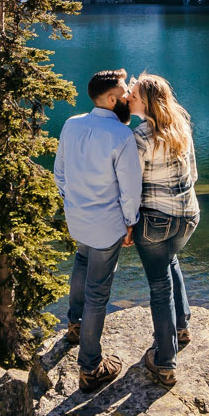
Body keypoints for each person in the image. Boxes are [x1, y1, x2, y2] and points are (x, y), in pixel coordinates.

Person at [52, 68, 142, 389]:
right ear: (111, 99)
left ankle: (75, 327)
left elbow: (59, 173)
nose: (129, 98)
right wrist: (131, 222)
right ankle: (90, 367)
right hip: (107, 225)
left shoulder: (71, 124)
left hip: (78, 218)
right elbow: (130, 189)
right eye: (124, 92)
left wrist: (72, 201)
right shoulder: (121, 136)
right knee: (98, 291)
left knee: (81, 262)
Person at [128, 72, 200, 386]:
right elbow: (193, 174)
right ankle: (181, 327)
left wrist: (129, 224)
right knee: (170, 261)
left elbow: (132, 186)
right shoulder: (181, 127)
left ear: (145, 103)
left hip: (156, 220)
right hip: (189, 216)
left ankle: (165, 361)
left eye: (133, 95)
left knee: (159, 287)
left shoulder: (140, 137)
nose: (128, 98)